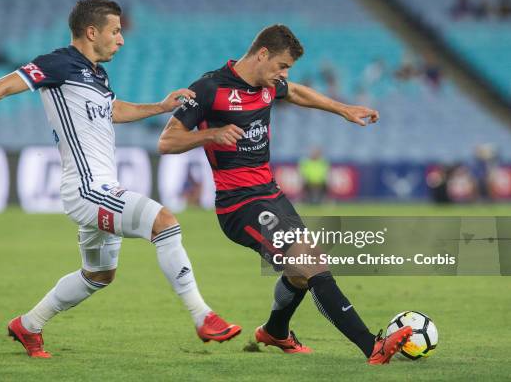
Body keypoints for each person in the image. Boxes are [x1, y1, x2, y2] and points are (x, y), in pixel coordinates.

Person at [0, 0, 240, 358]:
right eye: (115, 31)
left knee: (98, 276)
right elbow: (3, 85)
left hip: (101, 188)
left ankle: (28, 325)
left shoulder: (96, 74)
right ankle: (203, 316)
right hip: (87, 190)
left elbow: (113, 110)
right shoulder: (57, 63)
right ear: (92, 32)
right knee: (164, 222)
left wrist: (160, 106)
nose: (121, 39)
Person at [158, 24, 412, 364]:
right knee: (311, 262)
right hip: (239, 205)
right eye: (281, 65)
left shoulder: (268, 85)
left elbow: (295, 92)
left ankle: (275, 331)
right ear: (262, 54)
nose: (284, 74)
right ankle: (372, 346)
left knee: (299, 272)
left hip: (271, 194)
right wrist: (211, 134)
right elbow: (167, 141)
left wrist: (343, 109)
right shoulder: (209, 89)